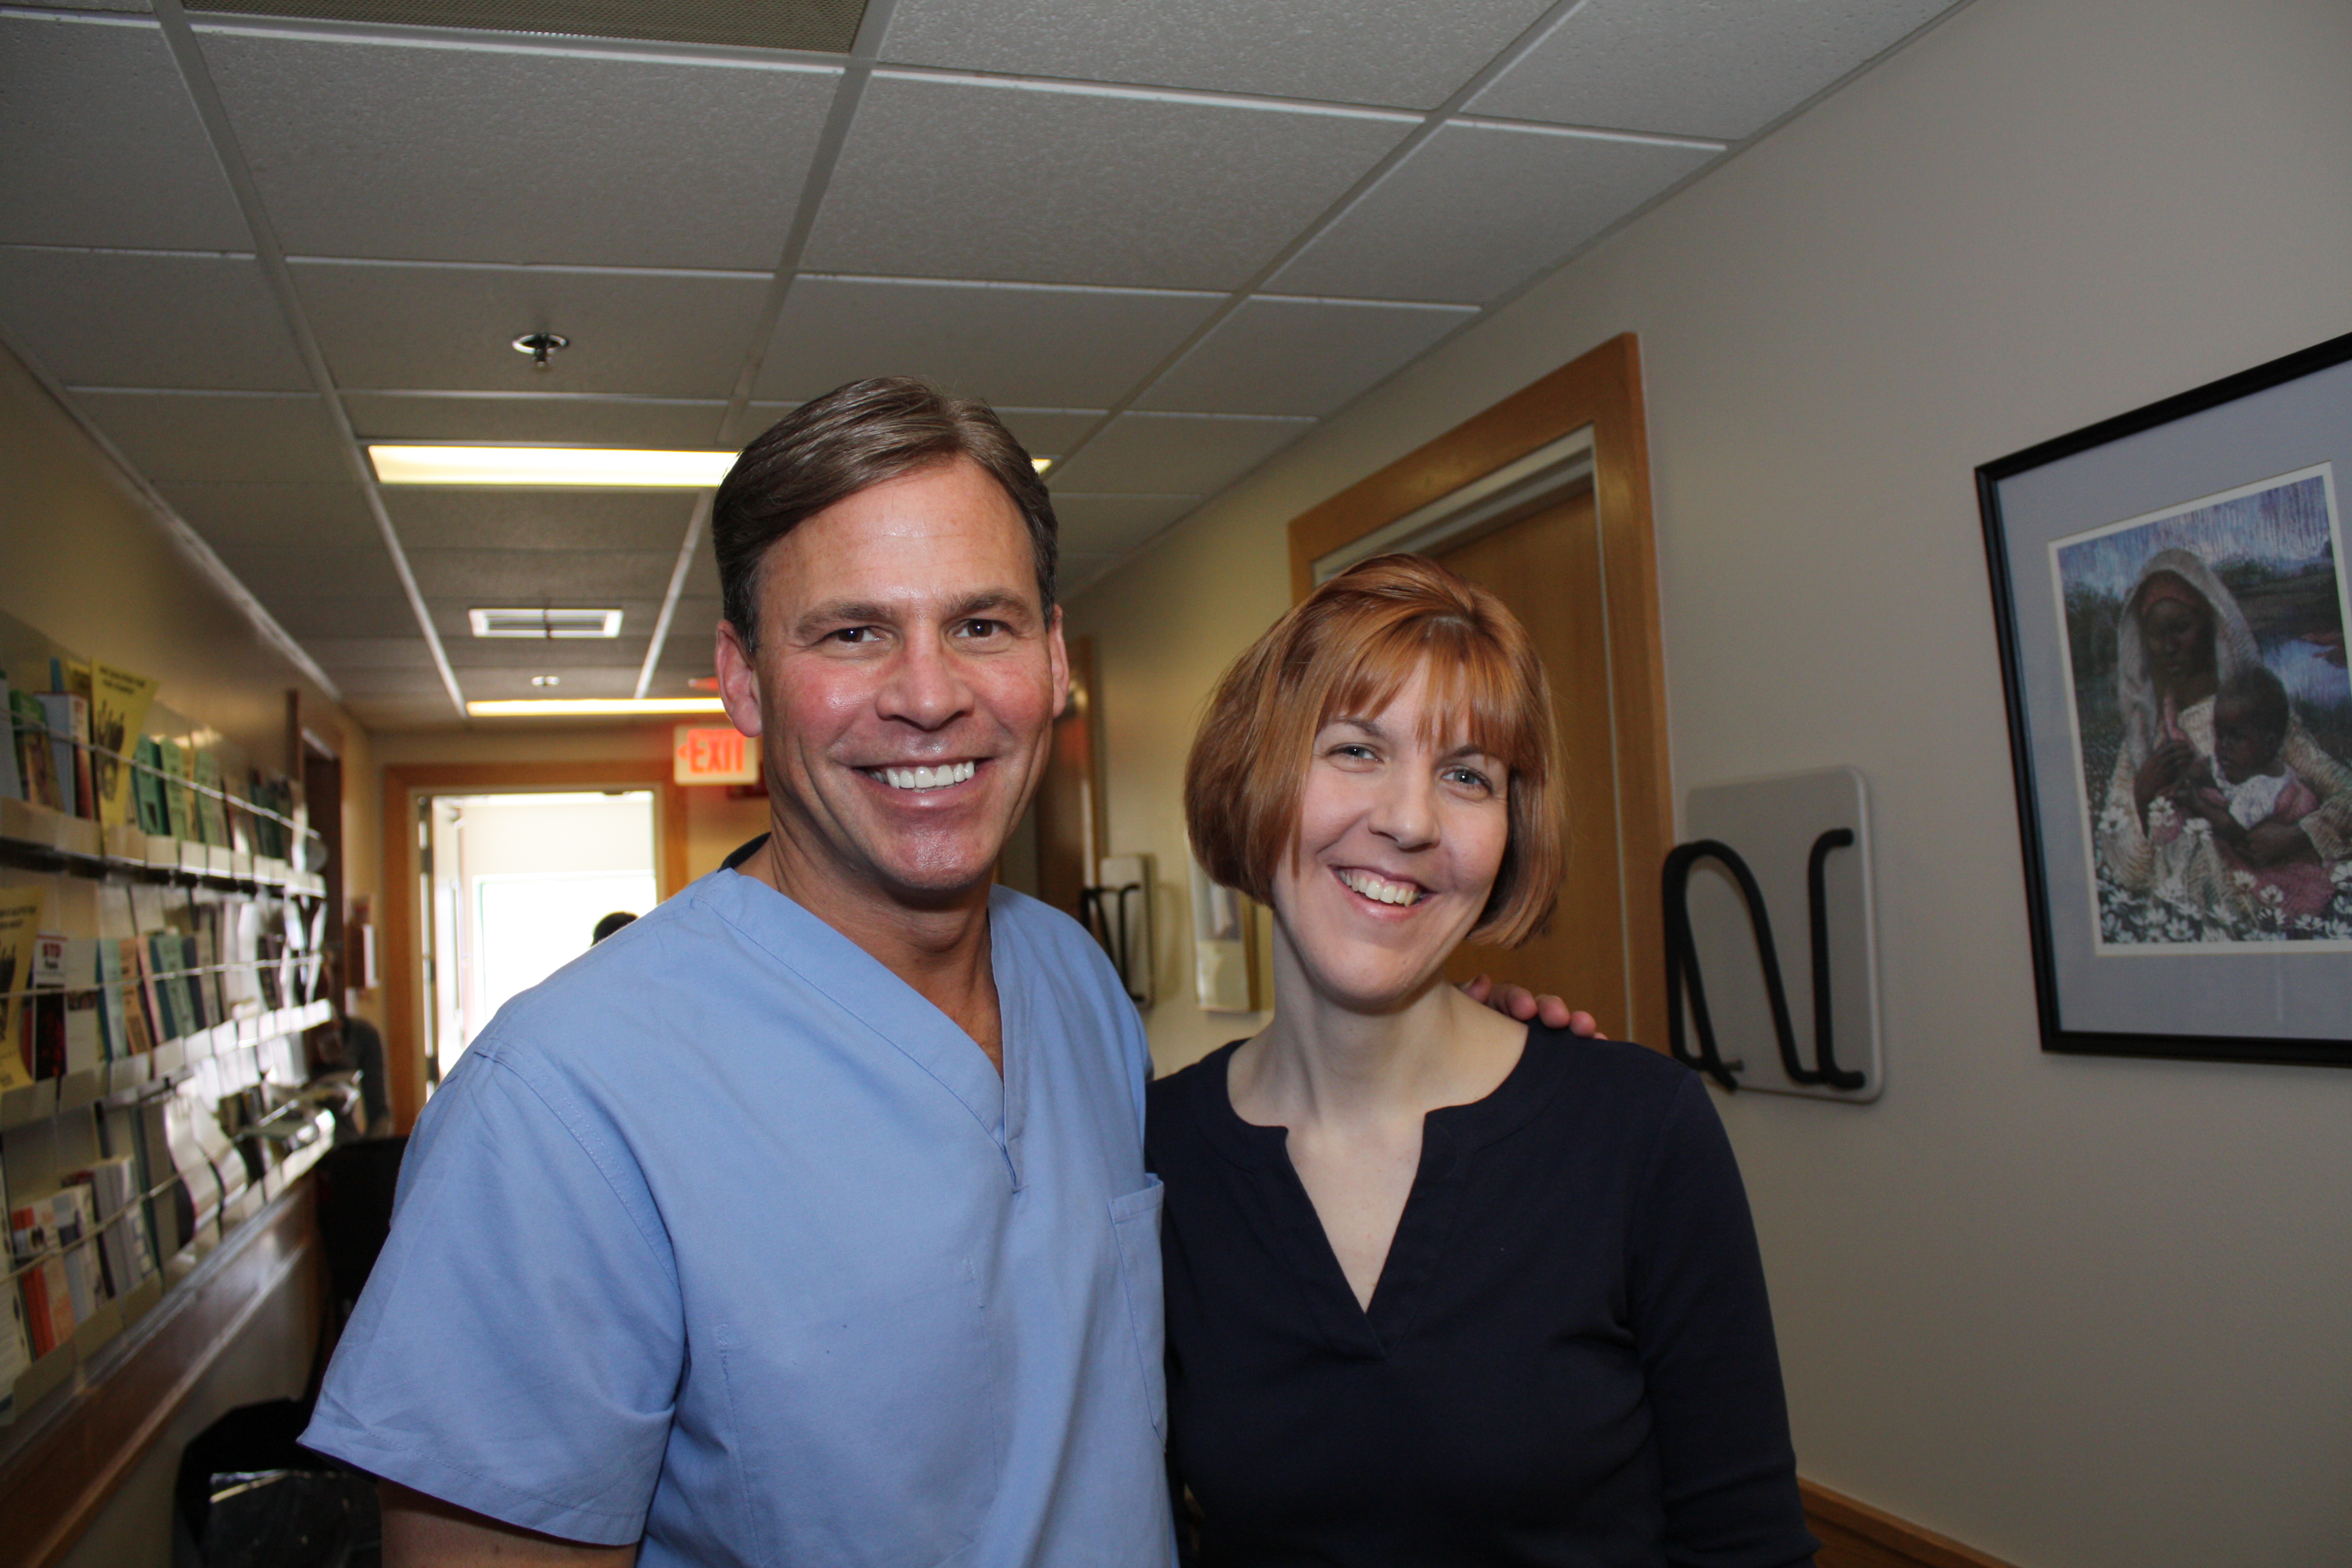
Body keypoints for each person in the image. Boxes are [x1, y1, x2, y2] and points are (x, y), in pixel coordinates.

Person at [301, 379, 1583, 1567]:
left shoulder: (1075, 986)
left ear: (1054, 659)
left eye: (981, 623)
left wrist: (1451, 1049)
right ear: (745, 680)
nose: (928, 695)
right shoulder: (562, 1100)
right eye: (853, 631)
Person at [1148, 555, 1817, 1566]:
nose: (1411, 820)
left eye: (1467, 775)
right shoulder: (1155, 1157)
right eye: (1355, 749)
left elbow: (1746, 1545)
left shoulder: (1637, 1132)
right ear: (1254, 776)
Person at [2097, 549, 2351, 901]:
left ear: (2210, 623)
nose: (2169, 647)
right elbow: (2125, 871)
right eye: (2156, 634)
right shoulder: (2144, 740)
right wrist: (2142, 796)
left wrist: (2300, 836)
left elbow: (2345, 792)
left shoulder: (2253, 710)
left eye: (2182, 628)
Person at [2167, 666, 2341, 921]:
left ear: (2270, 744)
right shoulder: (2234, 760)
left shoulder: (2267, 787)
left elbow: (2233, 828)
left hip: (2274, 872)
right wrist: (2190, 773)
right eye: (2220, 734)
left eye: (2236, 737)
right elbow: (2208, 768)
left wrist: (2194, 800)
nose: (2223, 746)